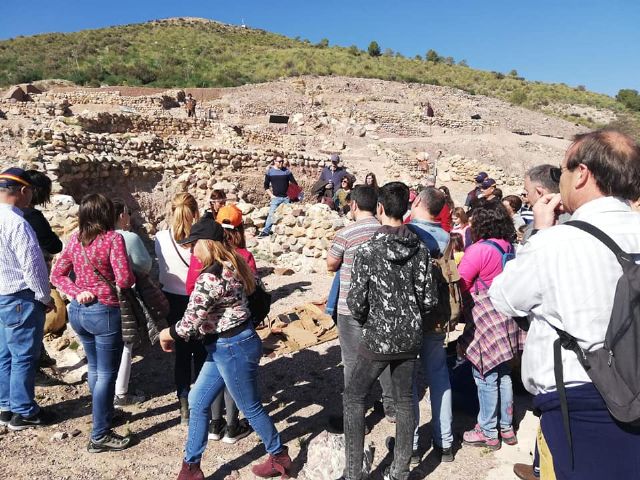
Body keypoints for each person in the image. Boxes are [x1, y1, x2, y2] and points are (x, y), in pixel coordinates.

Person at [489, 130, 640, 480]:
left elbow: (505, 298)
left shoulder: (556, 243)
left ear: (582, 173)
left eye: (563, 171)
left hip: (583, 403)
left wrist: (541, 233)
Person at [158, 221, 292, 479]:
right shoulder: (234, 264)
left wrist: (166, 334)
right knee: (197, 402)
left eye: (193, 245)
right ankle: (191, 467)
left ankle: (279, 456)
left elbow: (188, 325)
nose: (191, 251)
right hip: (229, 344)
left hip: (231, 347)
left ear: (207, 244)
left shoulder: (210, 278)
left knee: (250, 407)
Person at [344, 182, 438, 480]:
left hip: (377, 337)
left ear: (380, 208)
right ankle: (400, 471)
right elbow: (429, 299)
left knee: (354, 397)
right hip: (410, 336)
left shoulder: (367, 250)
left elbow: (356, 301)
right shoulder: (421, 250)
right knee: (405, 400)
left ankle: (353, 472)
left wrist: (371, 320)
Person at [51, 193, 135, 452]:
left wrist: (77, 292)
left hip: (79, 312)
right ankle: (100, 434)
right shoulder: (113, 239)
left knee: (96, 369)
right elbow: (124, 280)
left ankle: (104, 415)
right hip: (105, 312)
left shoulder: (75, 240)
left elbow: (57, 275)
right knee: (107, 373)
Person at [326, 185, 395, 431]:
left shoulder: (346, 234)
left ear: (353, 204)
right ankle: (391, 407)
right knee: (383, 355)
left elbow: (331, 264)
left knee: (352, 362)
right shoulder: (387, 231)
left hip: (350, 307)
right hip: (382, 305)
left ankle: (354, 418)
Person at [457, 199, 523, 451]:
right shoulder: (509, 246)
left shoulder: (479, 250)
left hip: (485, 318)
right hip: (507, 316)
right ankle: (506, 427)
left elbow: (462, 282)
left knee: (485, 375)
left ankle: (487, 431)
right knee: (503, 373)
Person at [0, 167, 52, 431]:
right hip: (20, 296)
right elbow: (33, 266)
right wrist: (44, 296)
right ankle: (24, 411)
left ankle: (6, 406)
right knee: (23, 355)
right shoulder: (18, 223)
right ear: (23, 191)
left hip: (1, 295)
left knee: (5, 354)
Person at [408, 186, 455, 462]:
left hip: (411, 315)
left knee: (408, 381)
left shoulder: (409, 233)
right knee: (439, 377)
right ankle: (445, 441)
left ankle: (412, 445)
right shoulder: (447, 237)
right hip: (437, 315)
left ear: (417, 202)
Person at [205, 204, 255, 444]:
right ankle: (233, 425)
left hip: (210, 327)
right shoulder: (243, 256)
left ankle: (215, 423)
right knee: (232, 375)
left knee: (215, 372)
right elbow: (252, 290)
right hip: (237, 327)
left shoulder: (208, 256)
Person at [154, 193, 206, 425]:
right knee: (203, 352)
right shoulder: (203, 239)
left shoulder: (160, 237)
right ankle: (203, 402)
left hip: (172, 300)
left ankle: (184, 405)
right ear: (195, 212)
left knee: (182, 355)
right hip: (199, 299)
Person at [111, 198, 152, 408]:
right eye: (127, 212)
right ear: (121, 215)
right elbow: (144, 265)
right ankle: (121, 392)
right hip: (125, 295)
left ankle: (104, 389)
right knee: (127, 342)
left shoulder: (89, 237)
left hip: (95, 299)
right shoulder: (128, 237)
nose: (129, 216)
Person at [22, 169, 62, 368]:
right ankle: (35, 366)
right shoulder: (32, 216)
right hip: (30, 283)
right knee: (31, 325)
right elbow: (54, 245)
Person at [521, 164, 569, 243]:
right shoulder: (578, 215)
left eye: (527, 192)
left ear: (539, 192)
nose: (527, 196)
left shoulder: (534, 230)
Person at [258, 156, 297, 238]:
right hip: (275, 198)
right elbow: (266, 186)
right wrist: (271, 196)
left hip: (286, 198)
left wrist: (291, 196)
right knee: (271, 214)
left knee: (289, 216)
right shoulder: (270, 172)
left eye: (282, 161)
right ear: (274, 161)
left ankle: (288, 233)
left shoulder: (286, 171)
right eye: (279, 161)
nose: (281, 163)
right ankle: (266, 231)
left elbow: (294, 184)